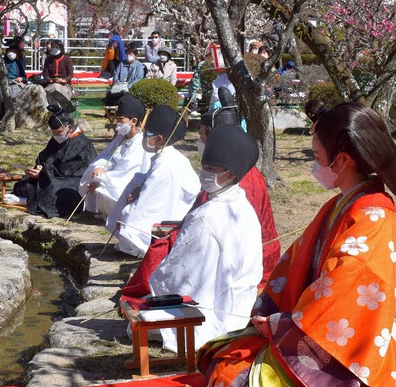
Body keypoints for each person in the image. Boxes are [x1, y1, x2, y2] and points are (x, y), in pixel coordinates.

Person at [195, 102, 396, 387]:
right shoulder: (345, 203)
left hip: (343, 355)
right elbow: (295, 262)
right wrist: (272, 314)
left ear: (342, 161)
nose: (314, 165)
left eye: (316, 156)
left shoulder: (374, 219)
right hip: (311, 331)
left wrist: (281, 325)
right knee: (224, 359)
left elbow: (343, 297)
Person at [149, 124, 263, 352]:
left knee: (152, 297)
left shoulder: (206, 217)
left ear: (230, 174)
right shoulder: (241, 203)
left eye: (211, 169)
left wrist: (156, 278)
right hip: (239, 307)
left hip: (210, 313)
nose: (204, 174)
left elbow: (179, 274)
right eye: (204, 167)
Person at [199, 90, 280, 288]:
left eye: (201, 134)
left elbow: (232, 235)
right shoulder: (228, 171)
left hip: (246, 268)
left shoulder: (240, 178)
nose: (198, 140)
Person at [106, 105, 199, 258]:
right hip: (170, 209)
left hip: (173, 218)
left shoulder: (165, 165)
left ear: (159, 138)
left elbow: (149, 206)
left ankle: (140, 245)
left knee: (130, 217)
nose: (143, 135)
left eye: (147, 133)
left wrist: (125, 217)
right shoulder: (166, 157)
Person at [10, 105, 97, 218]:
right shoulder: (57, 138)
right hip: (51, 175)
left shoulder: (83, 143)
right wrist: (39, 168)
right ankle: (29, 200)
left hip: (74, 179)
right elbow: (45, 156)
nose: (56, 136)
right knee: (26, 182)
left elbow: (74, 169)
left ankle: (26, 201)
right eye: (53, 132)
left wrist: (46, 172)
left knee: (55, 189)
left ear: (69, 128)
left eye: (59, 132)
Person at [78, 94, 148, 219]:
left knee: (107, 187)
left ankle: (116, 214)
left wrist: (102, 179)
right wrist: (101, 168)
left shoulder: (140, 143)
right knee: (93, 170)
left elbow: (126, 170)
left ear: (134, 121)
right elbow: (109, 156)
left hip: (126, 182)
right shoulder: (120, 138)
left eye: (121, 119)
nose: (117, 122)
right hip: (112, 174)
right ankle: (105, 212)